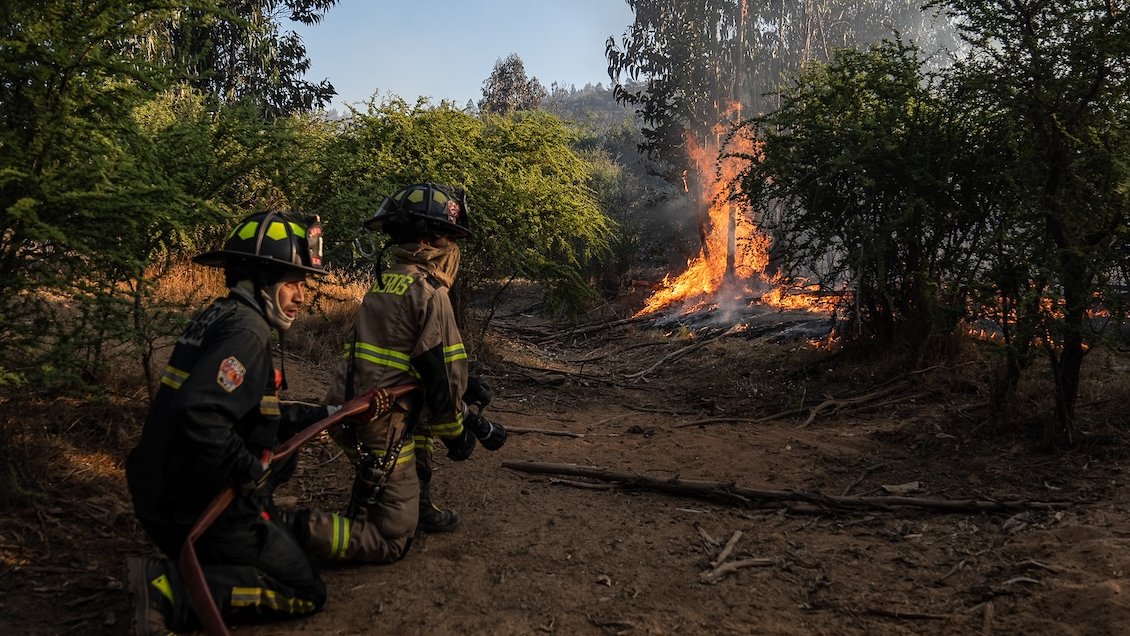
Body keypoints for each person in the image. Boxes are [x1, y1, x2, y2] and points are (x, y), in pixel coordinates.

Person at [125, 211, 335, 635]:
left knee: (287, 545)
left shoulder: (224, 315)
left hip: (167, 493)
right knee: (304, 586)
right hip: (200, 506)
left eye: (303, 285)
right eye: (291, 283)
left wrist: (323, 416)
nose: (300, 297)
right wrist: (248, 470)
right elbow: (200, 412)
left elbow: (247, 413)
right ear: (260, 279)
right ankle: (167, 589)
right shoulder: (247, 331)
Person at [300, 182, 506, 564]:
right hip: (379, 421)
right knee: (392, 537)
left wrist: (467, 386)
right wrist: (460, 434)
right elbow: (441, 385)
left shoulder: (385, 282)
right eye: (449, 238)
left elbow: (409, 361)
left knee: (419, 424)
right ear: (430, 241)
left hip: (350, 409)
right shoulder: (429, 293)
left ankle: (418, 501)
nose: (453, 248)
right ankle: (290, 530)